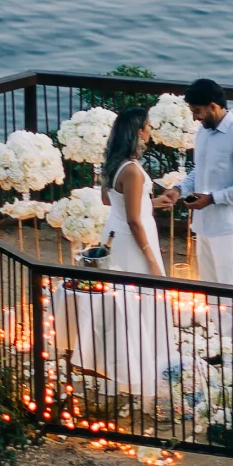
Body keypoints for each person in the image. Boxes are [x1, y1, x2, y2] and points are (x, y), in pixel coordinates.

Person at [65, 99, 181, 404]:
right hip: (132, 241)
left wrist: (151, 203)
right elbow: (134, 219)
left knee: (120, 304)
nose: (151, 130)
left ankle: (119, 372)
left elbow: (110, 201)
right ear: (138, 131)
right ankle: (143, 371)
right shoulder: (133, 170)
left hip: (113, 236)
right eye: (148, 126)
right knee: (143, 302)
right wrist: (151, 258)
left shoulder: (114, 164)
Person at [158, 79, 233, 293]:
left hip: (231, 227)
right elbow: (200, 170)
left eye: (197, 111)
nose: (194, 117)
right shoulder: (203, 132)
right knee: (210, 291)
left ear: (213, 106)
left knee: (231, 293)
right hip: (205, 224)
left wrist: (213, 199)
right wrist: (178, 190)